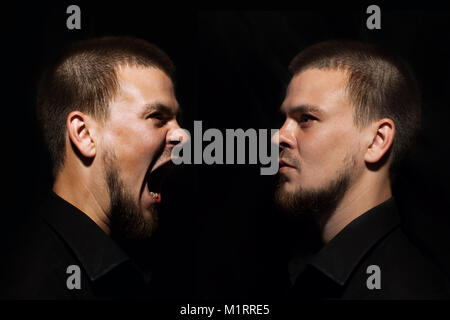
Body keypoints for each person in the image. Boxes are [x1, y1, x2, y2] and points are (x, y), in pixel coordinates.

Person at [2, 36, 188, 299]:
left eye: (177, 120)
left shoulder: (120, 267)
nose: (184, 136)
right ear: (85, 134)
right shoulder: (38, 285)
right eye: (157, 117)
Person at [274, 40, 450, 299]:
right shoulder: (301, 266)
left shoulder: (407, 290)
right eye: (285, 119)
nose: (279, 136)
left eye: (306, 119)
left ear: (377, 141)